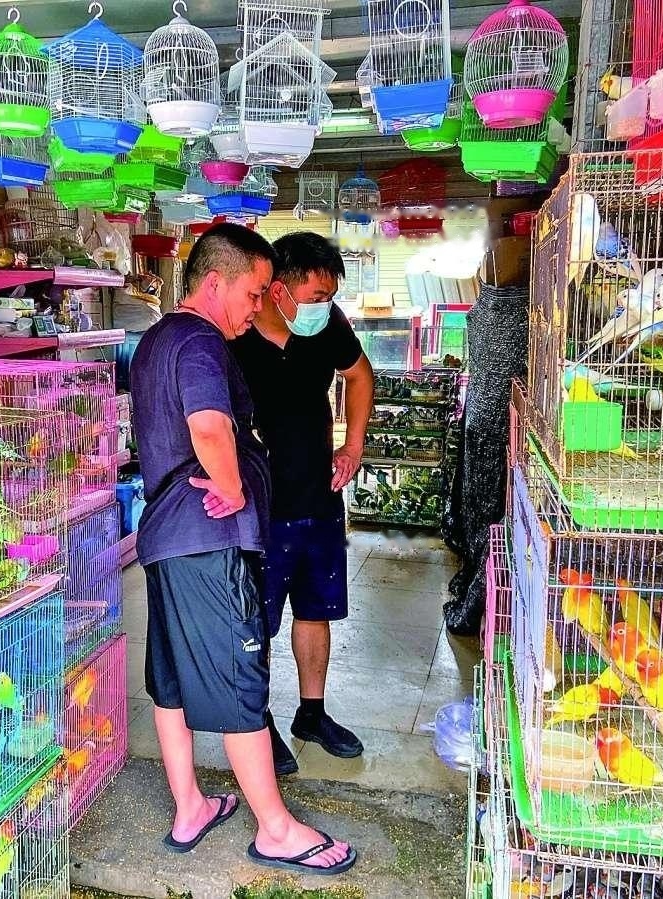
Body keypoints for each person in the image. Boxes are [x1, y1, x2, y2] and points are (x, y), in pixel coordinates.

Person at [130, 222, 356, 875]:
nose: (258, 307)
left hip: (166, 539)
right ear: (214, 282)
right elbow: (208, 425)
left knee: (172, 682)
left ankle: (190, 807)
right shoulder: (201, 341)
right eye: (254, 293)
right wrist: (232, 487)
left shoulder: (156, 340)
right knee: (239, 681)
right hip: (207, 539)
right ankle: (276, 830)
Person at [231, 231, 374, 776]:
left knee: (317, 609)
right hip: (259, 506)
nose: (325, 306)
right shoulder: (236, 334)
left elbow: (359, 374)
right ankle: (257, 719)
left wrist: (353, 445)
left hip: (320, 495)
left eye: (330, 297)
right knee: (258, 619)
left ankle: (311, 714)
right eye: (317, 296)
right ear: (278, 291)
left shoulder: (327, 325)